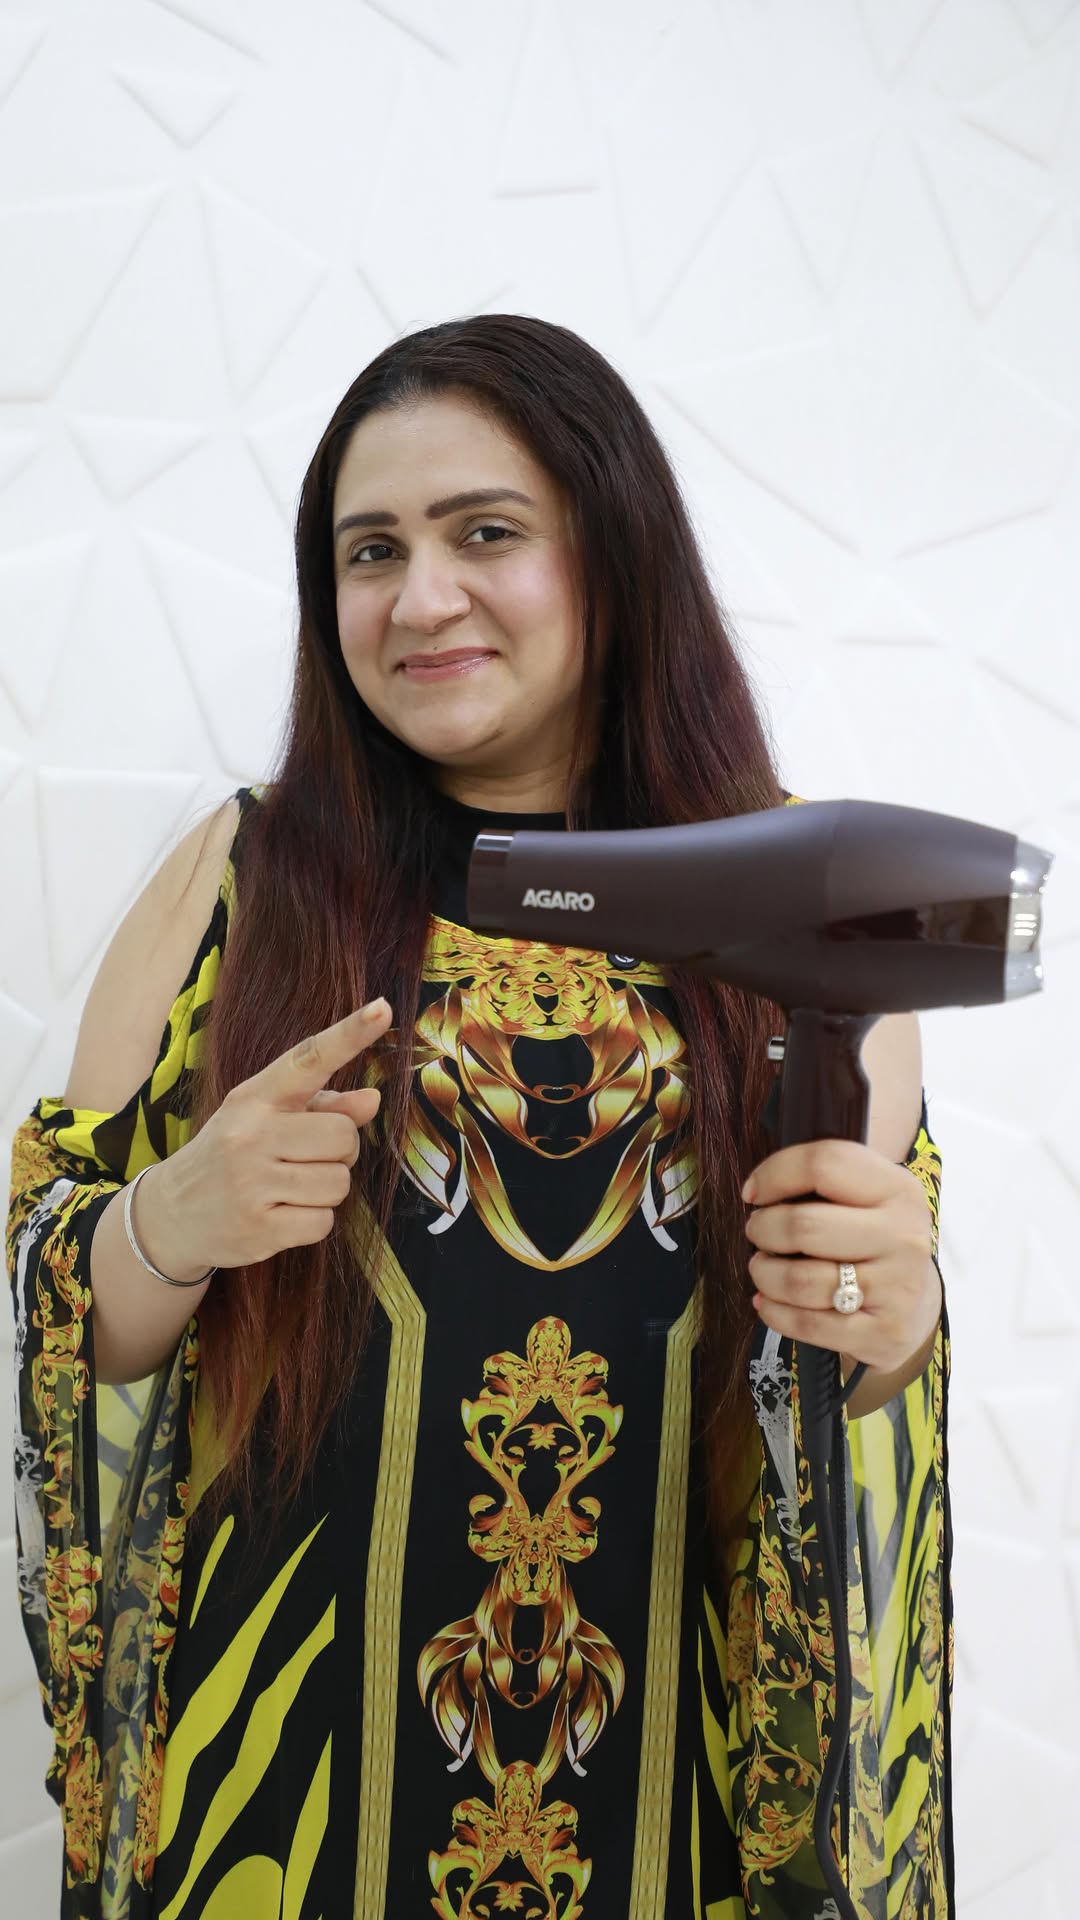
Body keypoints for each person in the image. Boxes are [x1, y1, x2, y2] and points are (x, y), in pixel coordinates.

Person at [7, 314, 951, 1920]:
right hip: (284, 1812)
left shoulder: (805, 903)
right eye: (370, 551)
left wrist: (896, 1312)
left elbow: (845, 1375)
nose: (420, 598)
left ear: (617, 553)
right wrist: (172, 1219)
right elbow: (65, 1315)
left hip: (671, 1801)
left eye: (486, 533)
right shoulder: (241, 881)